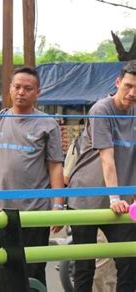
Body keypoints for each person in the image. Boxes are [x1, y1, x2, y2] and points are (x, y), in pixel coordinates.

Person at [0, 66, 65, 288]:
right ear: (9, 90)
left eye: (28, 88)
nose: (21, 92)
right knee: (1, 269)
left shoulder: (47, 124)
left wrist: (58, 206)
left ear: (37, 92)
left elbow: (55, 167)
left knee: (33, 271)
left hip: (34, 212)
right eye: (17, 87)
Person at [67, 60, 136, 292]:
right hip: (88, 197)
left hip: (122, 202)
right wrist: (114, 198)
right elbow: (108, 158)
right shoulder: (102, 109)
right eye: (128, 86)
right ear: (118, 82)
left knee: (129, 262)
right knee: (84, 266)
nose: (132, 92)